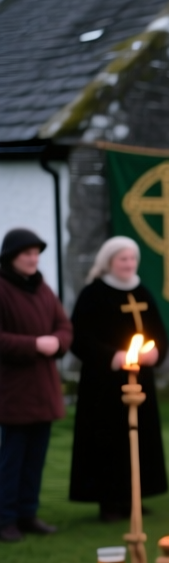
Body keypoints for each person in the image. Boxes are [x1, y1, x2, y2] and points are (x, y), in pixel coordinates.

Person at [70, 236, 169, 521]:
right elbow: (80, 337)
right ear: (109, 262)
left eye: (132, 258)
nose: (129, 264)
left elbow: (159, 333)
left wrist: (155, 353)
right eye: (123, 259)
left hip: (139, 379)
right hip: (104, 384)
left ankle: (134, 497)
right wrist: (115, 357)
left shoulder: (142, 292)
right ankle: (109, 501)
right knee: (108, 440)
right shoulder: (94, 293)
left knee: (140, 439)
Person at [0, 228, 72, 543]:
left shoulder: (43, 289)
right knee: (12, 458)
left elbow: (64, 326)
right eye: (26, 254)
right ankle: (5, 518)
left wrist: (57, 341)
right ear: (11, 257)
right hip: (13, 391)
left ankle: (27, 514)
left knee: (35, 458)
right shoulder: (2, 288)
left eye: (36, 253)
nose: (33, 259)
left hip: (43, 388)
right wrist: (33, 345)